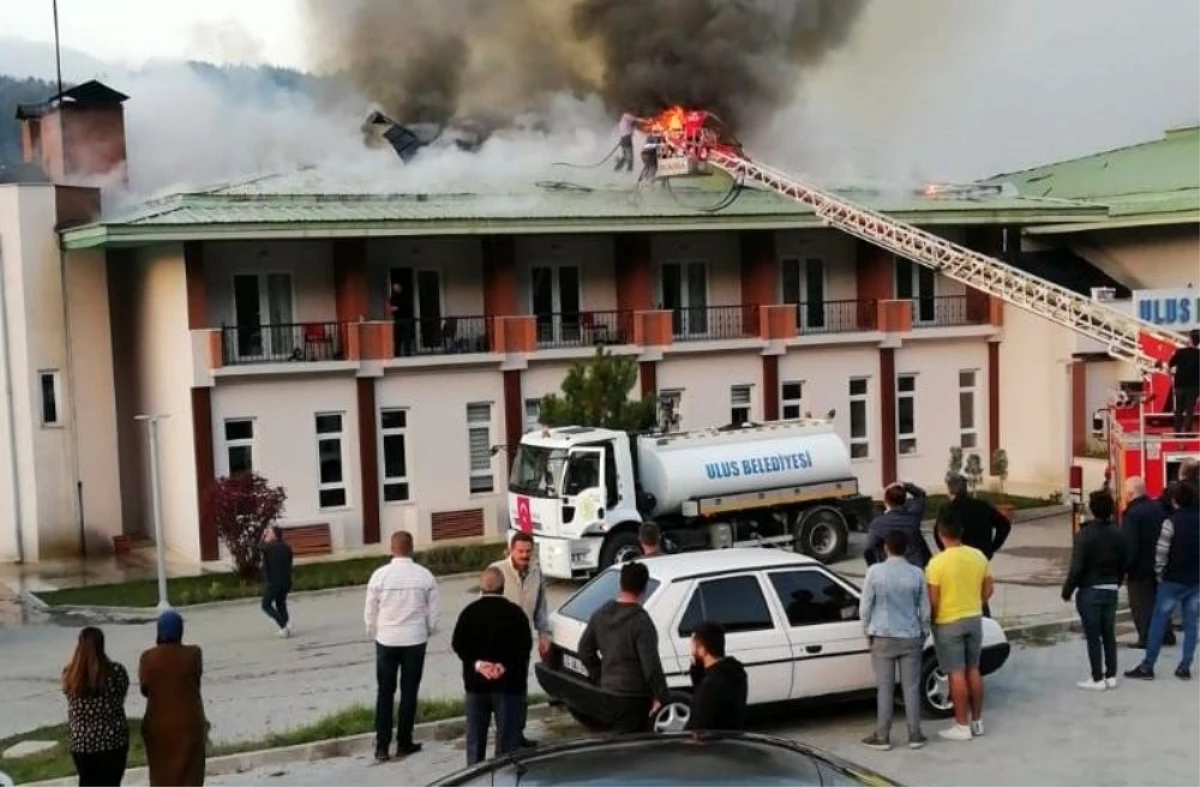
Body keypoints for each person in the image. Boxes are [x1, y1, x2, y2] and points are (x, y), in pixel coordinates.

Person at [365, 530, 439, 761]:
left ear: (391, 548)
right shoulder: (425, 576)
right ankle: (404, 742)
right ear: (412, 547)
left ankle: (382, 746)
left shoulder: (379, 576)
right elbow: (433, 612)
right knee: (409, 692)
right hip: (414, 640)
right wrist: (427, 630)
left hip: (387, 640)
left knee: (385, 693)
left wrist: (374, 631)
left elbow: (370, 611)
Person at [451, 567, 533, 766]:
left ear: (481, 588)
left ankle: (474, 778)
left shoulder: (469, 613)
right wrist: (502, 667)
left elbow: (459, 644)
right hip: (508, 686)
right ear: (503, 588)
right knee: (507, 742)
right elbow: (524, 646)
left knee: (475, 740)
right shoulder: (515, 614)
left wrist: (479, 665)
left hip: (476, 687)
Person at [859, 530, 931, 751]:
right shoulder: (917, 573)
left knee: (885, 688)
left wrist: (867, 631)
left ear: (886, 548)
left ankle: (882, 736)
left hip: (882, 635)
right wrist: (923, 632)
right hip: (910, 635)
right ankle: (915, 734)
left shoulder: (874, 572)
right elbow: (925, 610)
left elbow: (865, 606)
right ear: (907, 549)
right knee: (911, 687)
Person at [578, 561, 670, 734]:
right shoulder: (641, 622)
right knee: (634, 749)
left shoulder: (600, 614)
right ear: (644, 588)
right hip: (634, 697)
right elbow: (650, 665)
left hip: (607, 694)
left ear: (620, 583)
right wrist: (661, 696)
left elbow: (584, 650)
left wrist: (599, 675)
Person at [926, 508, 993, 742]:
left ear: (940, 533)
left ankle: (961, 725)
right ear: (961, 531)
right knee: (973, 669)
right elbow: (988, 589)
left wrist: (931, 619)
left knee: (956, 673)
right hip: (974, 618)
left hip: (948, 622)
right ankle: (977, 721)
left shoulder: (936, 564)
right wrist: (976, 602)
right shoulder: (978, 556)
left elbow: (933, 600)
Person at [1126, 481, 1200, 681]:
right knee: (1192, 623)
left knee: (1158, 621)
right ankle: (1185, 666)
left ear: (1175, 501)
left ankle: (1148, 665)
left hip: (1172, 579)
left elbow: (1161, 552)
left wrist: (1159, 574)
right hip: (1195, 581)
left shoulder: (1171, 522)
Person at [489, 531, 550, 748]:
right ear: (511, 550)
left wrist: (544, 634)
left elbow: (541, 608)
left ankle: (518, 734)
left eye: (528, 551)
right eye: (520, 551)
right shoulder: (497, 571)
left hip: (523, 643)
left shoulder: (536, 572)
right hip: (500, 643)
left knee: (520, 690)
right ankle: (504, 739)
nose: (524, 555)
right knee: (504, 692)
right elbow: (484, 606)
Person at [1062, 490, 1127, 690]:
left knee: (1093, 636)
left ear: (1092, 509)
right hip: (1110, 588)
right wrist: (1117, 581)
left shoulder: (1084, 535)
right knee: (1109, 633)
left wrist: (1067, 590)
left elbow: (1077, 567)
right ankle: (1111, 675)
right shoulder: (1118, 532)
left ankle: (1097, 678)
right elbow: (1124, 561)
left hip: (1090, 589)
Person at [139, 611, 206, 787]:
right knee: (191, 776)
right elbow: (195, 681)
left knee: (162, 775)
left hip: (158, 725)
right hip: (189, 722)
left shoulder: (148, 658)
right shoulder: (193, 654)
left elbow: (145, 689)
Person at [62, 627, 130, 787]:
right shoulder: (116, 672)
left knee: (87, 782)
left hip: (82, 743)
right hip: (112, 741)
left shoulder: (69, 674)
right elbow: (121, 695)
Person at [936, 473, 1011, 617]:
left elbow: (938, 533)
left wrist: (947, 551)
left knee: (959, 592)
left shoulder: (948, 509)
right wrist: (993, 546)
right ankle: (984, 622)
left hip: (956, 558)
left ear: (950, 490)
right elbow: (1004, 524)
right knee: (980, 590)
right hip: (980, 556)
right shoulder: (981, 506)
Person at [1123, 476, 1175, 648]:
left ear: (1130, 494)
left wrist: (1125, 567)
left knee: (1141, 605)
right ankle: (1167, 634)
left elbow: (1130, 544)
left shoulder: (1132, 514)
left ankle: (1146, 637)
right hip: (1160, 564)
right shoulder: (1158, 509)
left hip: (1140, 569)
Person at [684, 621, 747, 733]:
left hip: (713, 746)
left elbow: (698, 728)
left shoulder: (709, 686)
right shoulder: (736, 672)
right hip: (733, 740)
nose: (691, 651)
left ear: (702, 650)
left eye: (693, 647)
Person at [864, 482, 932, 568]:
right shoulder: (913, 517)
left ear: (885, 501)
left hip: (889, 567)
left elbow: (869, 548)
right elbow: (921, 495)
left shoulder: (878, 524)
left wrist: (874, 567)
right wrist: (905, 485)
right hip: (915, 565)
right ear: (904, 500)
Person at [261, 525, 294, 638]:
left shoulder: (268, 548)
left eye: (269, 532)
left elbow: (260, 547)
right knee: (280, 602)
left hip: (274, 582)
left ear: (274, 535)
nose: (266, 534)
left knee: (266, 605)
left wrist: (263, 538)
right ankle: (286, 625)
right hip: (286, 581)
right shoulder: (286, 547)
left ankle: (283, 626)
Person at [1168, 329, 1200, 433]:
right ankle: (1187, 433)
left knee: (1179, 410)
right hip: (1194, 387)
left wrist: (1172, 375)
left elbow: (1170, 365)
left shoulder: (1180, 352)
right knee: (1189, 411)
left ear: (1190, 339)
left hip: (1180, 385)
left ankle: (1177, 432)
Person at [387, 281, 414, 357]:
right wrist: (393, 309)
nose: (396, 289)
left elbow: (408, 307)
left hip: (406, 319)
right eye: (395, 288)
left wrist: (398, 308)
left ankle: (407, 354)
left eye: (397, 288)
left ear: (400, 288)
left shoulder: (406, 297)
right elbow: (390, 308)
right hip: (397, 319)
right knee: (397, 338)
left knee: (407, 338)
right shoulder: (393, 298)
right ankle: (397, 354)